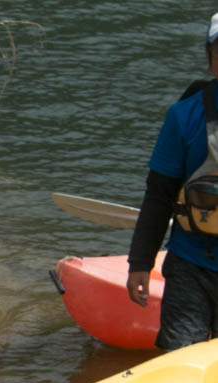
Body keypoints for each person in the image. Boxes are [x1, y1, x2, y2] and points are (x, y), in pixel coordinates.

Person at [127, 12, 218, 350]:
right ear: (210, 60)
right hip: (191, 267)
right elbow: (158, 195)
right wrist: (140, 263)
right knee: (181, 369)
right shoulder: (184, 116)